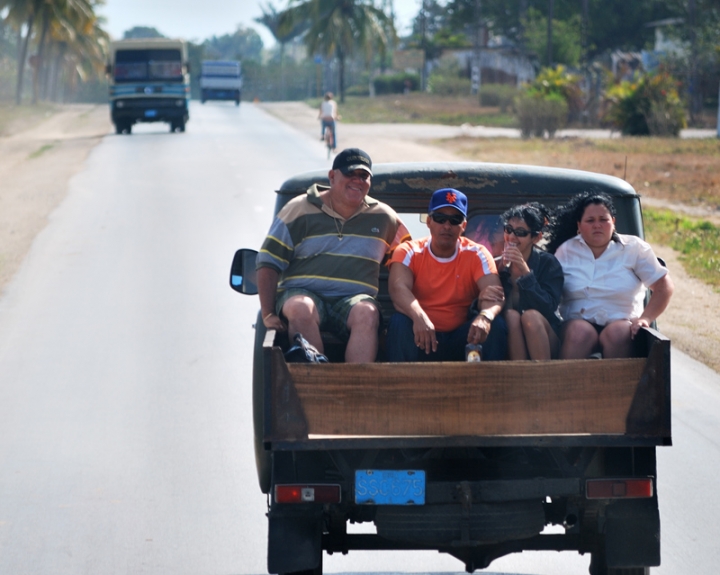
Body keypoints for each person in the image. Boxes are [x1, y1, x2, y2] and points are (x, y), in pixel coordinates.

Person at [256, 148, 409, 364]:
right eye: (350, 174)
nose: (357, 181)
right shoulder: (299, 209)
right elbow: (268, 261)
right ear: (332, 176)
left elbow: (410, 258)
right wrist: (268, 313)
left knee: (367, 312)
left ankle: (354, 387)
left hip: (353, 299)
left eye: (363, 176)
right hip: (303, 292)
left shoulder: (384, 217)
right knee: (301, 307)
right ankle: (317, 379)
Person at [547, 191, 674, 359]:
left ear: (613, 222)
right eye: (590, 221)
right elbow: (549, 290)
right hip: (576, 323)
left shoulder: (634, 248)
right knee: (580, 333)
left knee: (617, 333)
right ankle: (566, 384)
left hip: (622, 323)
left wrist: (646, 318)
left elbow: (664, 286)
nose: (597, 225)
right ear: (579, 225)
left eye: (603, 220)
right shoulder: (565, 251)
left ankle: (617, 385)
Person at [386, 188, 507, 362]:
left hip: (462, 337)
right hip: (421, 336)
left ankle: (488, 387)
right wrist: (419, 318)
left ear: (463, 226)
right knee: (399, 323)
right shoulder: (409, 251)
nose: (447, 226)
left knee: (495, 325)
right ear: (429, 221)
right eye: (440, 218)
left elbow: (495, 294)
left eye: (455, 219)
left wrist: (485, 316)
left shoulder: (477, 253)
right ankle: (398, 386)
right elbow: (397, 289)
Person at [497, 203, 564, 360]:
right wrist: (498, 270)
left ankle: (543, 377)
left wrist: (526, 273)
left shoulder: (548, 263)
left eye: (520, 232)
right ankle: (522, 377)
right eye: (508, 229)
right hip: (512, 342)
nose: (512, 237)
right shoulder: (497, 265)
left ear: (536, 237)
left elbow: (548, 307)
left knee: (531, 317)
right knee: (511, 316)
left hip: (546, 338)